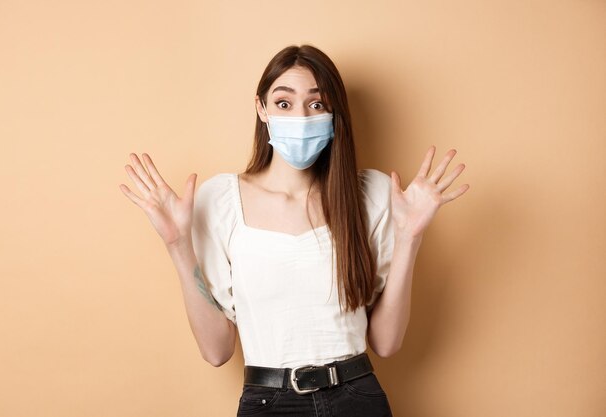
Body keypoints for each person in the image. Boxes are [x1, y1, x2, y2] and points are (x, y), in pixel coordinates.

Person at [119, 44, 469, 417]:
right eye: (284, 103)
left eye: (316, 105)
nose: (300, 117)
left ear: (335, 115)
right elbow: (216, 351)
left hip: (357, 398)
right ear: (262, 109)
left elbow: (386, 342)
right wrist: (177, 244)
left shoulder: (371, 195)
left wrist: (409, 238)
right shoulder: (221, 200)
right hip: (268, 403)